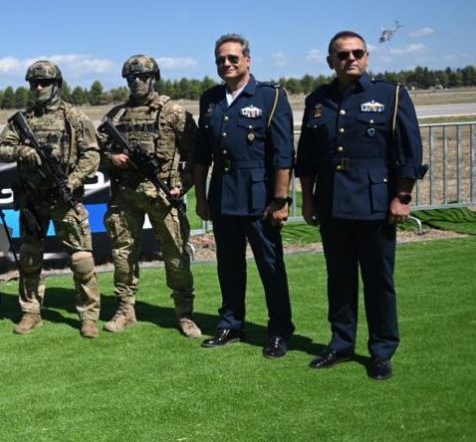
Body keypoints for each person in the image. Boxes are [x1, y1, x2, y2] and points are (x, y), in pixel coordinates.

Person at [296, 30, 423, 380]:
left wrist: (402, 197)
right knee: (339, 279)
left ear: (367, 57)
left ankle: (381, 351)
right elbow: (306, 157)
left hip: (374, 204)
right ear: (330, 61)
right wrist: (308, 199)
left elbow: (409, 152)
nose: (350, 58)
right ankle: (341, 343)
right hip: (332, 203)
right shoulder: (318, 100)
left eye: (357, 53)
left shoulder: (391, 95)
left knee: (378, 280)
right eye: (342, 54)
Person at [192, 34, 295, 358]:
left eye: (233, 58)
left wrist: (281, 201)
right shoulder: (210, 99)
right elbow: (202, 154)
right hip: (223, 195)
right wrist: (201, 197)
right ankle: (231, 323)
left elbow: (283, 154)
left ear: (248, 60)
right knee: (229, 265)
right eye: (221, 59)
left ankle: (279, 330)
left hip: (260, 198)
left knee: (271, 266)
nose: (226, 64)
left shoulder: (270, 96)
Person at [0, 60, 101, 339]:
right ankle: (31, 312)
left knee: (81, 259)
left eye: (45, 82)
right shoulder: (23, 120)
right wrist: (23, 151)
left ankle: (89, 316)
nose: (39, 87)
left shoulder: (75, 117)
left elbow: (92, 155)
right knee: (30, 258)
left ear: (57, 84)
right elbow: (1, 147)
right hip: (32, 200)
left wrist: (72, 181)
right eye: (34, 83)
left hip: (65, 198)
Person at [98, 55, 201, 338]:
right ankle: (125, 309)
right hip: (126, 196)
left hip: (163, 197)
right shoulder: (116, 116)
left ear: (154, 78)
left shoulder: (173, 112)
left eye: (143, 77)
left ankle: (185, 313)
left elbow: (197, 155)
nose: (137, 82)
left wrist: (183, 186)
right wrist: (112, 159)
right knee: (123, 255)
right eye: (132, 78)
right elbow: (94, 153)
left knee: (176, 256)